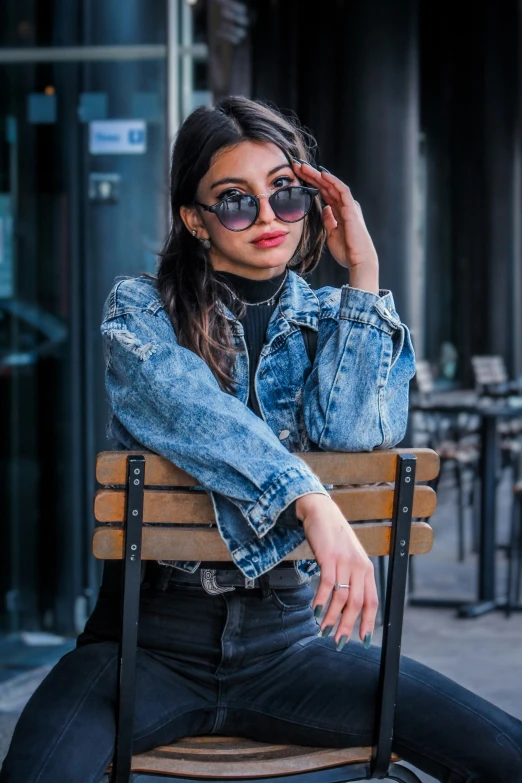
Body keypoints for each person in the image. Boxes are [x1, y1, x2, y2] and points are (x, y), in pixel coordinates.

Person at [1, 96, 521, 783]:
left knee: (505, 753)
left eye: (285, 194)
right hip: (143, 651)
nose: (269, 217)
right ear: (196, 219)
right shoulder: (140, 310)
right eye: (237, 201)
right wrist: (310, 498)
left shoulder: (334, 319)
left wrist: (363, 274)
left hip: (293, 649)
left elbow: (354, 438)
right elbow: (192, 413)